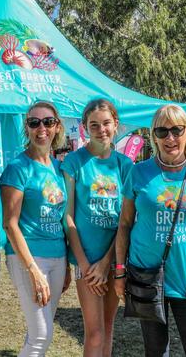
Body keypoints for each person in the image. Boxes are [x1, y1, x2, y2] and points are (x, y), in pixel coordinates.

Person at [114, 104, 186, 357]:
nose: (170, 138)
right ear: (154, 136)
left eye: (176, 130)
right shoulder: (139, 172)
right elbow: (125, 224)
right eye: (162, 131)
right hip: (147, 278)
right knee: (155, 351)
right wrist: (120, 272)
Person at [61, 99, 133, 356]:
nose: (101, 129)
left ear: (116, 124)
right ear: (84, 127)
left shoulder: (125, 166)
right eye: (94, 125)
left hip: (114, 257)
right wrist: (84, 264)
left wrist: (107, 262)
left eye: (106, 123)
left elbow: (126, 221)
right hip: (86, 263)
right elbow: (68, 217)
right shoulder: (73, 162)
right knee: (94, 332)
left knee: (108, 325)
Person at [1, 101, 71, 356]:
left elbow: (63, 218)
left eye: (48, 122)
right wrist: (33, 270)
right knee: (41, 335)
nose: (41, 128)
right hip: (29, 257)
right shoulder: (17, 168)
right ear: (27, 128)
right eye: (34, 122)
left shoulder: (59, 168)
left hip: (57, 256)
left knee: (39, 332)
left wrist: (66, 266)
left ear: (57, 127)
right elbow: (10, 224)